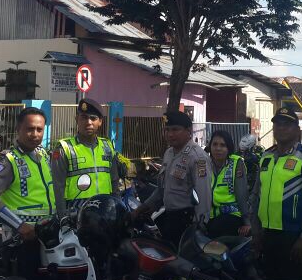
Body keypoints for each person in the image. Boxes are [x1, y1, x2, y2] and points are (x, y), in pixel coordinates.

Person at [0, 107, 56, 280]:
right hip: (21, 242)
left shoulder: (45, 156)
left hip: (47, 238)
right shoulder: (8, 160)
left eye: (40, 130)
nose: (35, 134)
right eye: (30, 129)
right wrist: (20, 226)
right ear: (18, 130)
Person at [250, 106, 302, 280]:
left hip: (294, 238)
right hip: (267, 236)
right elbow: (256, 196)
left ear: (297, 130)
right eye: (278, 124)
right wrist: (256, 231)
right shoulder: (265, 157)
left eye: (287, 124)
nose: (281, 128)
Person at [132, 111, 213, 247]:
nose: (170, 134)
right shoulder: (169, 153)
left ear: (188, 131)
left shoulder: (198, 157)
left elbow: (203, 196)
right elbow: (161, 189)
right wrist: (142, 208)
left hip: (187, 221)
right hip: (169, 217)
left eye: (175, 130)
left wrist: (199, 227)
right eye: (167, 130)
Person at [51, 98, 121, 208]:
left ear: (100, 122)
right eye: (84, 117)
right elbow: (57, 188)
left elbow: (114, 181)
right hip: (76, 213)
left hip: (105, 210)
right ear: (76, 119)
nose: (88, 122)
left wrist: (118, 207)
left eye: (93, 118)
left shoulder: (107, 146)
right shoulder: (64, 148)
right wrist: (63, 218)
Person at [205, 130, 252, 238]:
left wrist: (247, 222)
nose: (218, 148)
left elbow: (242, 195)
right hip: (211, 215)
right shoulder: (205, 164)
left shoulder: (236, 163)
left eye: (223, 145)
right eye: (215, 144)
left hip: (232, 215)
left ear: (228, 148)